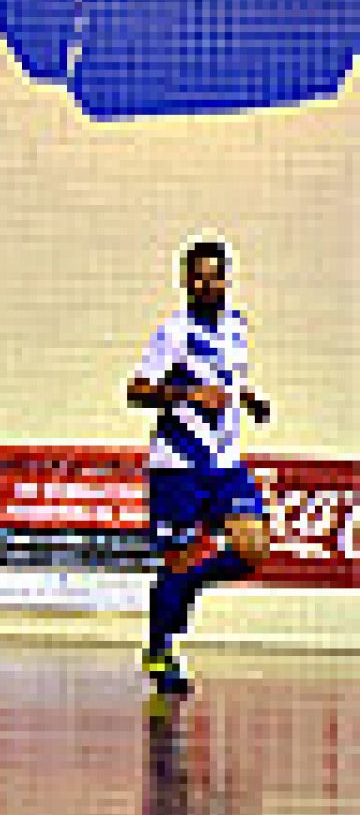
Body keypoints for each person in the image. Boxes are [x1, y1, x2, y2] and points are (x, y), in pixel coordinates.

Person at [128, 238, 272, 695]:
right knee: (178, 558)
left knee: (252, 549)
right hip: (179, 463)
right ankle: (159, 648)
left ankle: (185, 582)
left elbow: (233, 378)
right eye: (198, 276)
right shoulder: (173, 333)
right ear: (186, 281)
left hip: (224, 463)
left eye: (215, 275)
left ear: (227, 279)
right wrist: (189, 395)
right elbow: (136, 390)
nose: (207, 284)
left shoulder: (237, 328)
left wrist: (249, 399)